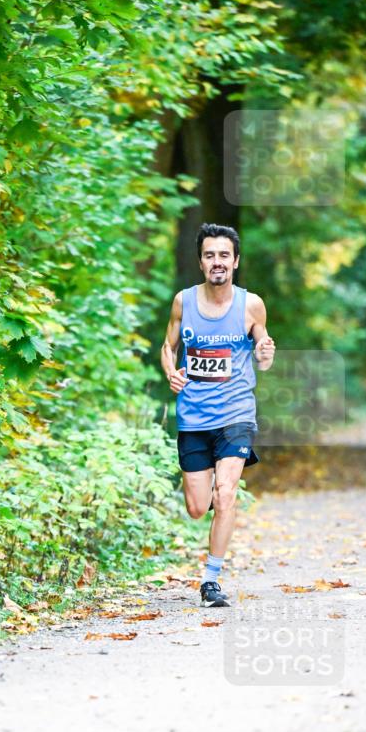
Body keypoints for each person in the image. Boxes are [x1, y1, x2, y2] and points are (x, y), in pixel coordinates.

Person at [161, 223, 275, 607]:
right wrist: (171, 372)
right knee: (197, 508)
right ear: (200, 262)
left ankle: (211, 581)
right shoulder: (183, 302)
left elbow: (263, 343)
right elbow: (168, 345)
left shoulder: (251, 304)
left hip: (236, 413)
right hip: (193, 416)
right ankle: (207, 488)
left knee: (225, 496)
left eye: (224, 255)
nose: (217, 262)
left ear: (236, 261)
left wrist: (264, 352)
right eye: (210, 255)